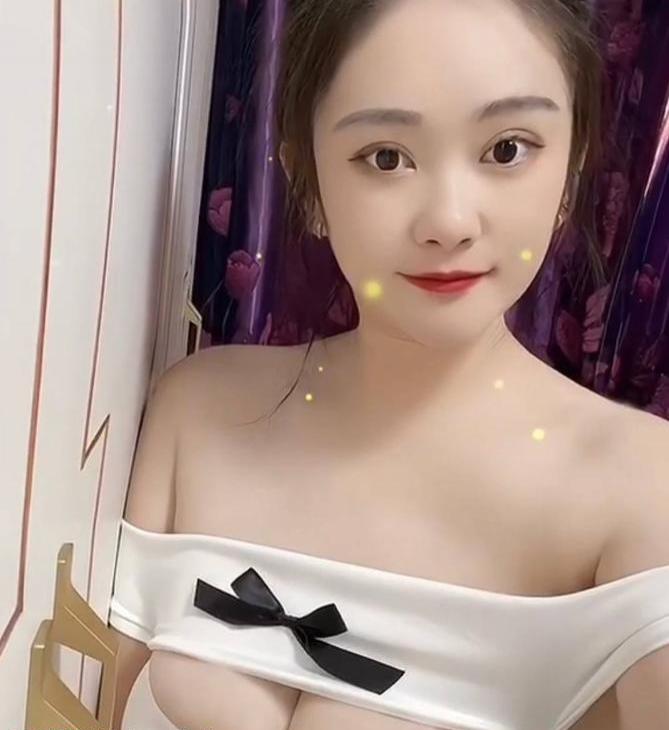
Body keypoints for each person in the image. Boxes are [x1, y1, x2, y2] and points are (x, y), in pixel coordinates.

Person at [108, 1, 669, 729]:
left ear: (571, 172)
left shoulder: (641, 489)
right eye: (385, 157)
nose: (448, 222)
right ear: (308, 185)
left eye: (507, 149)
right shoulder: (200, 408)